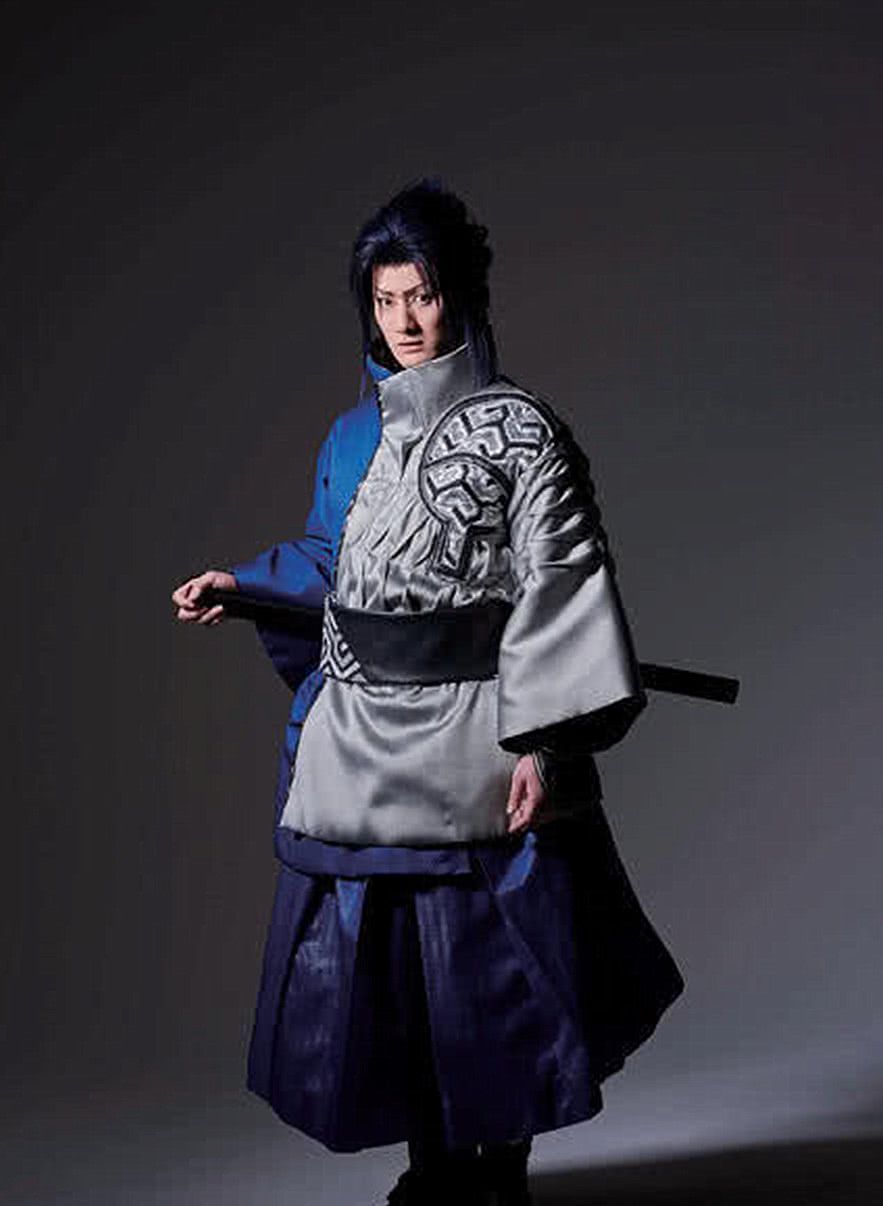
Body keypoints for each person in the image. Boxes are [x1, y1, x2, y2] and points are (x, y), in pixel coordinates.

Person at [172, 179, 684, 1206]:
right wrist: (244, 586)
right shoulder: (349, 437)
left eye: (424, 295)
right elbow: (335, 565)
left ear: (463, 295)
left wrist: (545, 742)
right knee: (394, 974)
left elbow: (562, 584)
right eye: (386, 300)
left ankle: (500, 1167)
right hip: (363, 741)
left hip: (480, 736)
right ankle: (434, 1166)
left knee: (492, 969)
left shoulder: (523, 431)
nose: (406, 321)